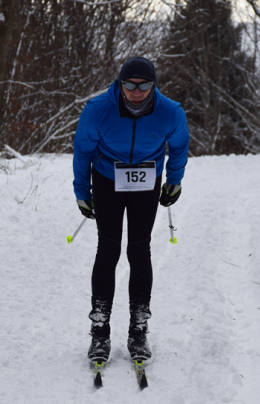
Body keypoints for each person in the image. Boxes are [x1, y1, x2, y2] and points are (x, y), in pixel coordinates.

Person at [72, 56, 190, 364]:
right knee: (108, 250)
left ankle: (138, 330)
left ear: (154, 86)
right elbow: (83, 151)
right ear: (120, 83)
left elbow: (178, 146)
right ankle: (100, 332)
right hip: (108, 178)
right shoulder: (98, 110)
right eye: (129, 85)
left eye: (143, 86)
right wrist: (82, 191)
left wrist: (174, 182)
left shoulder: (170, 112)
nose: (136, 93)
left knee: (139, 250)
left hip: (146, 182)